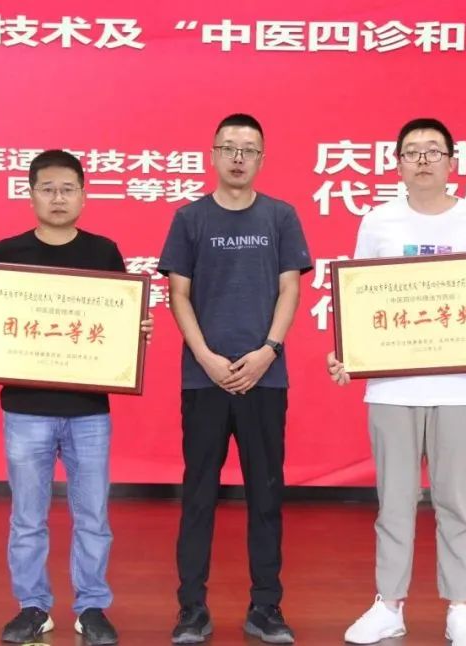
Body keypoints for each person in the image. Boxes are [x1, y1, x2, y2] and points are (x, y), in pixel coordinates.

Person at [327, 118, 466, 646]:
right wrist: (347, 353)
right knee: (393, 502)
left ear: (452, 163)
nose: (422, 160)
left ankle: (459, 607)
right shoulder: (378, 221)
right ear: (397, 164)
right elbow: (359, 299)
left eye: (433, 151)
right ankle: (388, 605)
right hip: (392, 388)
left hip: (459, 386)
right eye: (411, 151)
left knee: (455, 503)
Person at [0, 149, 154, 645]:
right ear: (30, 196)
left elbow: (117, 324)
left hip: (88, 412)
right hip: (26, 410)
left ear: (84, 195)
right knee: (27, 517)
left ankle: (92, 607)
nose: (58, 198)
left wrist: (136, 330)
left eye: (68, 189)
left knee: (93, 516)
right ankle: (33, 606)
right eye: (48, 189)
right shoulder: (8, 251)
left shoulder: (104, 252)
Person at [158, 113, 312, 644]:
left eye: (248, 149)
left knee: (266, 495)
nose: (238, 158)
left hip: (264, 378)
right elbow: (178, 293)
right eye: (228, 148)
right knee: (198, 494)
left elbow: (290, 289)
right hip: (205, 379)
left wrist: (269, 351)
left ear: (262, 158)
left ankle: (266, 607)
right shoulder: (189, 218)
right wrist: (204, 356)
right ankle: (191, 608)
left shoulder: (281, 216)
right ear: (213, 155)